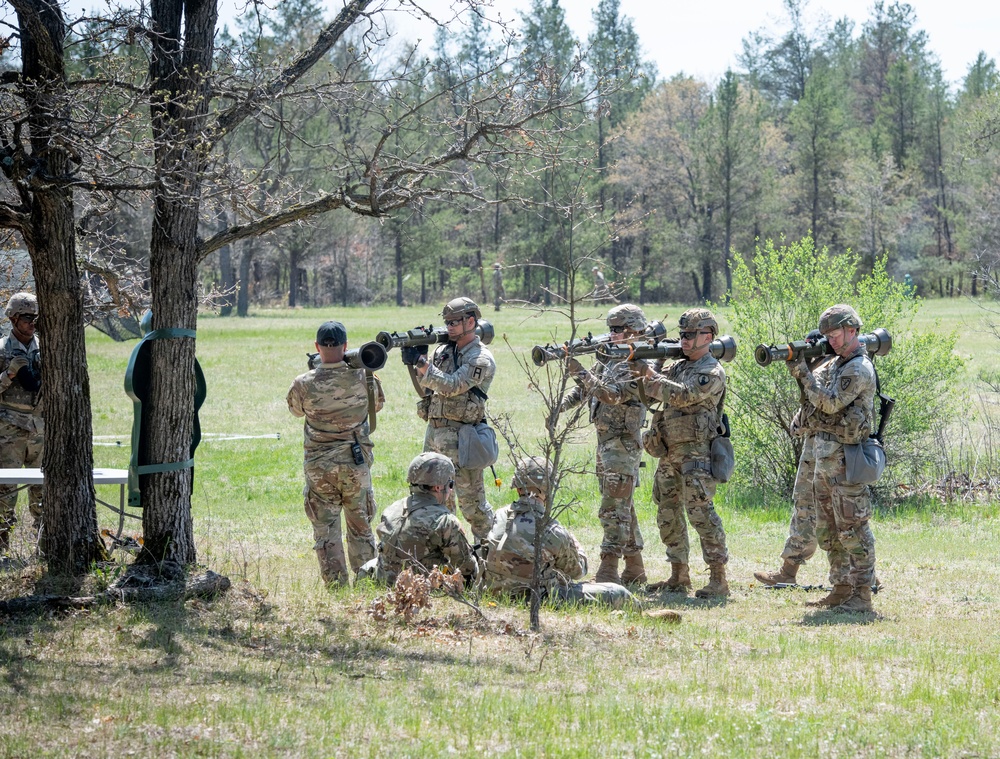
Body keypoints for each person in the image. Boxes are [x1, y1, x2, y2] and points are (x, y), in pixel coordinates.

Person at [755, 305, 878, 613]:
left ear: (852, 331)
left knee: (853, 527)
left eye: (835, 335)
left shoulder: (858, 367)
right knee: (827, 528)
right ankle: (840, 587)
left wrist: (801, 371)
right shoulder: (836, 363)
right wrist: (803, 370)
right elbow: (811, 402)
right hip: (825, 458)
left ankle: (862, 594)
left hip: (846, 460)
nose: (832, 341)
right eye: (828, 336)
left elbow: (829, 401)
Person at [634, 308, 731, 598]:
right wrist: (645, 365)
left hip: (697, 455)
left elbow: (682, 395)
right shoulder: (678, 366)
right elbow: (651, 391)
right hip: (670, 452)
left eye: (690, 335)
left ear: (708, 335)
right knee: (667, 513)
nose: (684, 340)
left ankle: (718, 578)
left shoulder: (711, 371)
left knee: (701, 514)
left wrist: (650, 375)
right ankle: (678, 574)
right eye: (683, 335)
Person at [287, 320, 384, 586]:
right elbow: (378, 405)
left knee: (326, 529)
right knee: (360, 526)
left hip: (320, 466)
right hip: (355, 464)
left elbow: (295, 411)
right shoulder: (364, 376)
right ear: (345, 346)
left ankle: (336, 585)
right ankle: (365, 580)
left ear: (317, 347)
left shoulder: (303, 383)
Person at [562, 304, 649, 585]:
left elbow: (611, 395)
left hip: (623, 442)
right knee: (624, 505)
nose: (610, 335)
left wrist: (577, 369)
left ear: (633, 330)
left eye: (616, 329)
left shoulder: (639, 361)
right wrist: (562, 405)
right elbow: (587, 388)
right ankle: (635, 568)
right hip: (606, 441)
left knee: (613, 507)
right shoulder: (611, 356)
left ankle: (609, 567)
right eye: (610, 329)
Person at [483, 456, 637, 608]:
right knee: (617, 593)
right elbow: (578, 571)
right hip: (537, 598)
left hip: (496, 592)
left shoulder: (500, 515)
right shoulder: (551, 531)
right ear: (548, 489)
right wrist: (574, 544)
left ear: (517, 486)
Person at [413, 297, 496, 542]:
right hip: (436, 434)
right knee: (436, 503)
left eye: (455, 322)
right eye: (447, 322)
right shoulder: (443, 351)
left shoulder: (481, 358)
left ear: (471, 321)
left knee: (473, 507)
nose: (449, 327)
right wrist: (416, 364)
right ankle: (447, 558)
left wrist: (424, 367)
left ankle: (488, 556)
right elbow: (428, 386)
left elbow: (453, 386)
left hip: (464, 439)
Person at [357, 452, 479, 585]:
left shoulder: (392, 509)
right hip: (419, 587)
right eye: (450, 485)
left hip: (385, 580)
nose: (451, 490)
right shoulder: (445, 521)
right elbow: (467, 568)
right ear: (438, 487)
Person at [0, 292, 43, 553]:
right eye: (27, 317)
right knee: (6, 490)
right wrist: (9, 373)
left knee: (43, 490)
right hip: (9, 430)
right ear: (13, 318)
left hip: (40, 428)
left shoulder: (46, 347)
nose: (32, 322)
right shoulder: (2, 350)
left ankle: (43, 545)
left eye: (35, 317)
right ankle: (3, 546)